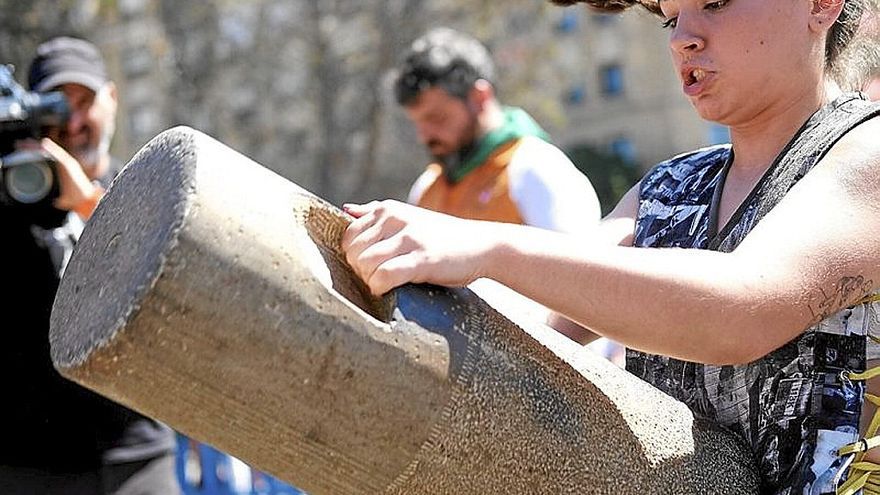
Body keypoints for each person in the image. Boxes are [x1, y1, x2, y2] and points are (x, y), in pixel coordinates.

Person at [341, 0, 880, 493]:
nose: (682, 39)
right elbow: (542, 322)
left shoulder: (868, 154)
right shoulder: (667, 189)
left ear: (820, 5)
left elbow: (739, 309)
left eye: (714, 3)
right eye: (672, 17)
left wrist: (488, 247)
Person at [0, 36, 179, 494]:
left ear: (113, 100)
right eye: (60, 107)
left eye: (86, 102)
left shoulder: (144, 188)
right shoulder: (8, 202)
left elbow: (175, 277)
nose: (76, 122)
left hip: (138, 454)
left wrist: (85, 201)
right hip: (31, 465)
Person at [395, 27, 601, 234]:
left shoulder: (537, 169)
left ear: (479, 97)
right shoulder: (426, 187)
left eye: (437, 118)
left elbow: (582, 261)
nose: (424, 136)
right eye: (417, 123)